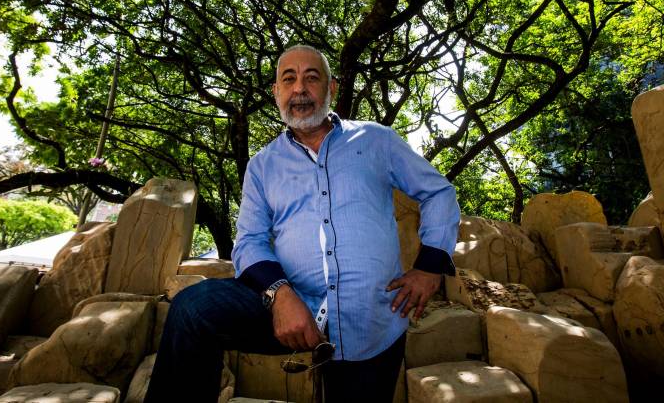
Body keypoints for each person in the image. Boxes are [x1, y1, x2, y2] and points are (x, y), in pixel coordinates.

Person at [145, 45, 460, 402]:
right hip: (291, 308)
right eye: (288, 79)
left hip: (372, 324)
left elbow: (438, 193)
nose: (300, 89)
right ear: (276, 92)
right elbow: (249, 242)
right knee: (194, 310)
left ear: (332, 89)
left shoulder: (377, 141)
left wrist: (430, 267)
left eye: (312, 77)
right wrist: (279, 295)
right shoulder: (262, 166)